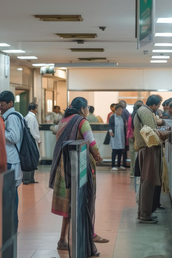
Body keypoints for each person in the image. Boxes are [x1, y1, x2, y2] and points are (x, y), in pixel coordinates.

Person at [49, 97, 107, 254]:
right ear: (82, 109)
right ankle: (87, 236)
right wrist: (98, 157)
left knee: (69, 203)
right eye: (86, 108)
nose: (87, 110)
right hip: (80, 168)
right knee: (85, 201)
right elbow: (91, 142)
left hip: (64, 167)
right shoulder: (82, 121)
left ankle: (63, 238)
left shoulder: (64, 120)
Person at [134, 95, 170, 224]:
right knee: (148, 182)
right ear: (154, 104)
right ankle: (145, 215)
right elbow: (152, 133)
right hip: (149, 149)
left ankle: (143, 213)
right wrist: (167, 133)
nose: (159, 107)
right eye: (159, 104)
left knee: (146, 182)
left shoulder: (143, 111)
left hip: (145, 148)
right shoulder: (146, 112)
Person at [0, 90, 24, 228]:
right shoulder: (14, 115)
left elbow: (14, 137)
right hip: (11, 160)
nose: (0, 108)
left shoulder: (12, 117)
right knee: (11, 194)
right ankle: (11, 224)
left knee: (11, 195)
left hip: (11, 160)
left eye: (2, 105)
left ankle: (12, 225)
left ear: (10, 103)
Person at [23, 102, 40, 184]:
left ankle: (31, 178)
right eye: (36, 108)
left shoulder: (28, 116)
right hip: (31, 140)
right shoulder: (31, 118)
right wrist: (38, 139)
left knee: (32, 158)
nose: (37, 109)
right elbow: (31, 130)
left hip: (31, 140)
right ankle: (27, 179)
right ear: (33, 109)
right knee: (32, 158)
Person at [109, 104, 127, 171]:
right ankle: (113, 165)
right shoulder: (112, 117)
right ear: (115, 110)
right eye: (119, 110)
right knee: (114, 151)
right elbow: (110, 125)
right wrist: (110, 131)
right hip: (115, 136)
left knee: (120, 151)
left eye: (121, 110)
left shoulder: (122, 116)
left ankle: (119, 165)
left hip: (121, 136)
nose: (120, 111)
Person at [128, 100, 143, 177]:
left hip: (131, 136)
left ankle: (132, 172)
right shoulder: (140, 114)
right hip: (138, 135)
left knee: (132, 154)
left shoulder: (131, 115)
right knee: (140, 153)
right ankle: (138, 171)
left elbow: (129, 126)